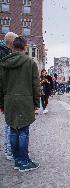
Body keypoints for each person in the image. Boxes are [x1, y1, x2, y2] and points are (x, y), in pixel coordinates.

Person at [0, 36, 40, 172]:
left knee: (12, 130)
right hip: (25, 101)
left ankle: (17, 161)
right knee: (23, 131)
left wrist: (1, 103)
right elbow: (35, 85)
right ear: (25, 47)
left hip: (9, 101)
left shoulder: (4, 63)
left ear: (13, 47)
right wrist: (36, 103)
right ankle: (24, 161)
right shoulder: (30, 63)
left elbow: (0, 85)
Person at [0, 32, 18, 161]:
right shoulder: (4, 55)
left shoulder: (5, 52)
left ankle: (9, 149)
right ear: (11, 43)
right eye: (15, 42)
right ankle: (8, 150)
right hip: (5, 94)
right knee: (9, 123)